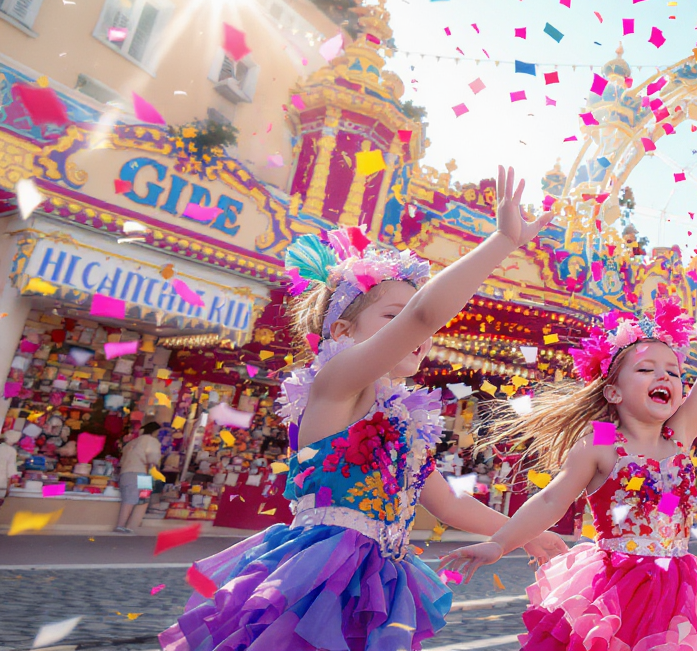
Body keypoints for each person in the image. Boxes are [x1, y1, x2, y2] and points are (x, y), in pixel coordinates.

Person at [161, 167, 567, 651]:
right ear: (342, 333)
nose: (418, 335)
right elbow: (424, 315)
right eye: (392, 317)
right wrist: (502, 241)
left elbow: (448, 503)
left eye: (413, 324)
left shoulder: (403, 418)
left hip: (380, 575)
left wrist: (521, 534)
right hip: (318, 574)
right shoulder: (337, 384)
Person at [439, 234, 697, 651]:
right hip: (613, 588)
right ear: (613, 393)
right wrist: (500, 542)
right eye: (647, 369)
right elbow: (551, 501)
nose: (665, 377)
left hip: (675, 584)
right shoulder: (603, 442)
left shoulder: (680, 434)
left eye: (673, 372)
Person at [114, 422, 162, 534]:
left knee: (129, 499)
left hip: (127, 473)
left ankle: (122, 525)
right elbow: (153, 459)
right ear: (154, 431)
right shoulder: (151, 441)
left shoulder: (131, 442)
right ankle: (130, 525)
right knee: (142, 500)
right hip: (142, 474)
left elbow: (121, 461)